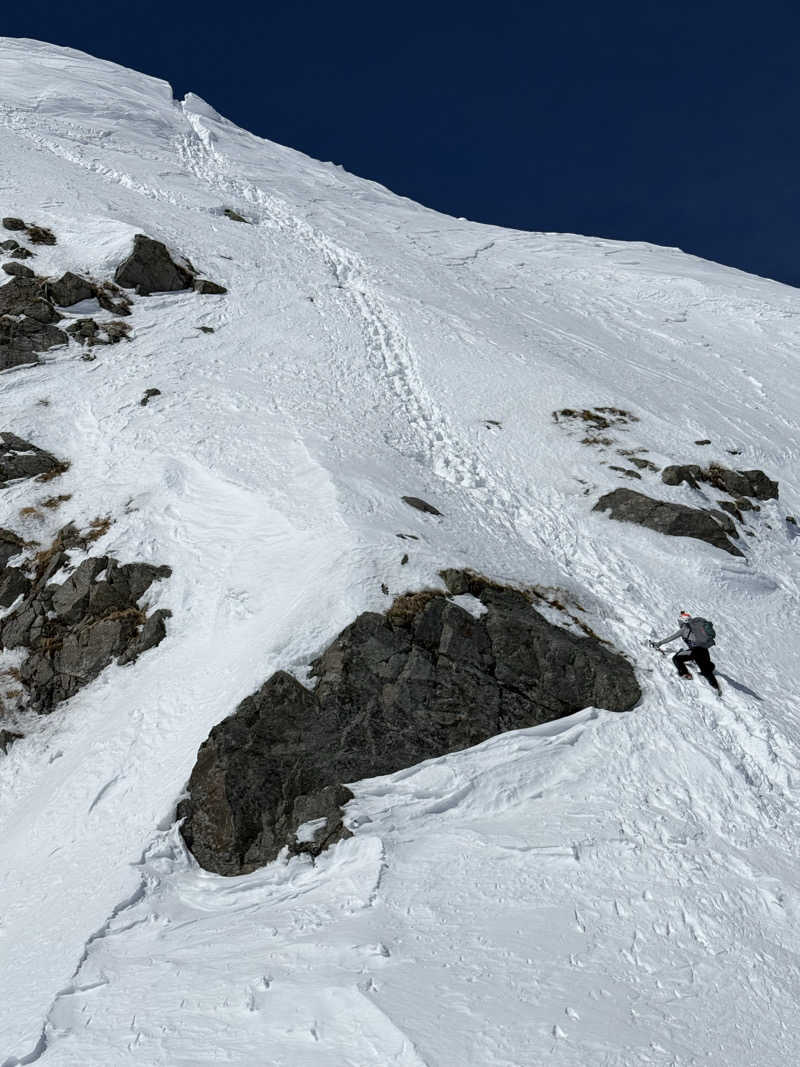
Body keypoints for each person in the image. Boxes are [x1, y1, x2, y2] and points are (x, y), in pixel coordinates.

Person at [650, 611, 720, 692]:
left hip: (696, 651)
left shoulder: (684, 629)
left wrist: (659, 643)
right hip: (704, 650)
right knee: (706, 670)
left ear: (682, 621)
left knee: (676, 658)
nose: (678, 623)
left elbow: (671, 638)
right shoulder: (695, 627)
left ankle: (685, 674)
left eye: (679, 621)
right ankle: (716, 687)